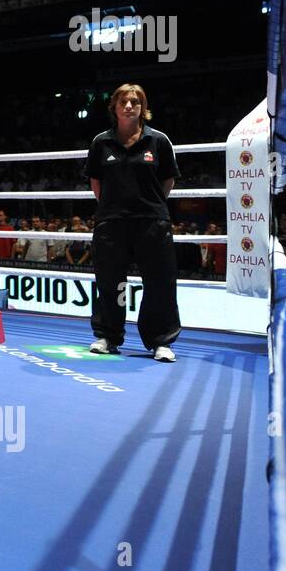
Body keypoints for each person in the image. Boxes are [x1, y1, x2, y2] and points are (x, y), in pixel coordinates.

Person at [83, 83, 181, 362]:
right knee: (110, 282)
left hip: (152, 222)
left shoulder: (159, 140)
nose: (129, 106)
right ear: (114, 107)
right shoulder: (101, 142)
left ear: (143, 108)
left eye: (135, 102)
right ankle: (107, 337)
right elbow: (95, 181)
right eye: (124, 101)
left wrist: (150, 205)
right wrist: (113, 208)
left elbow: (168, 179)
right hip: (111, 222)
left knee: (160, 282)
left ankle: (161, 341)